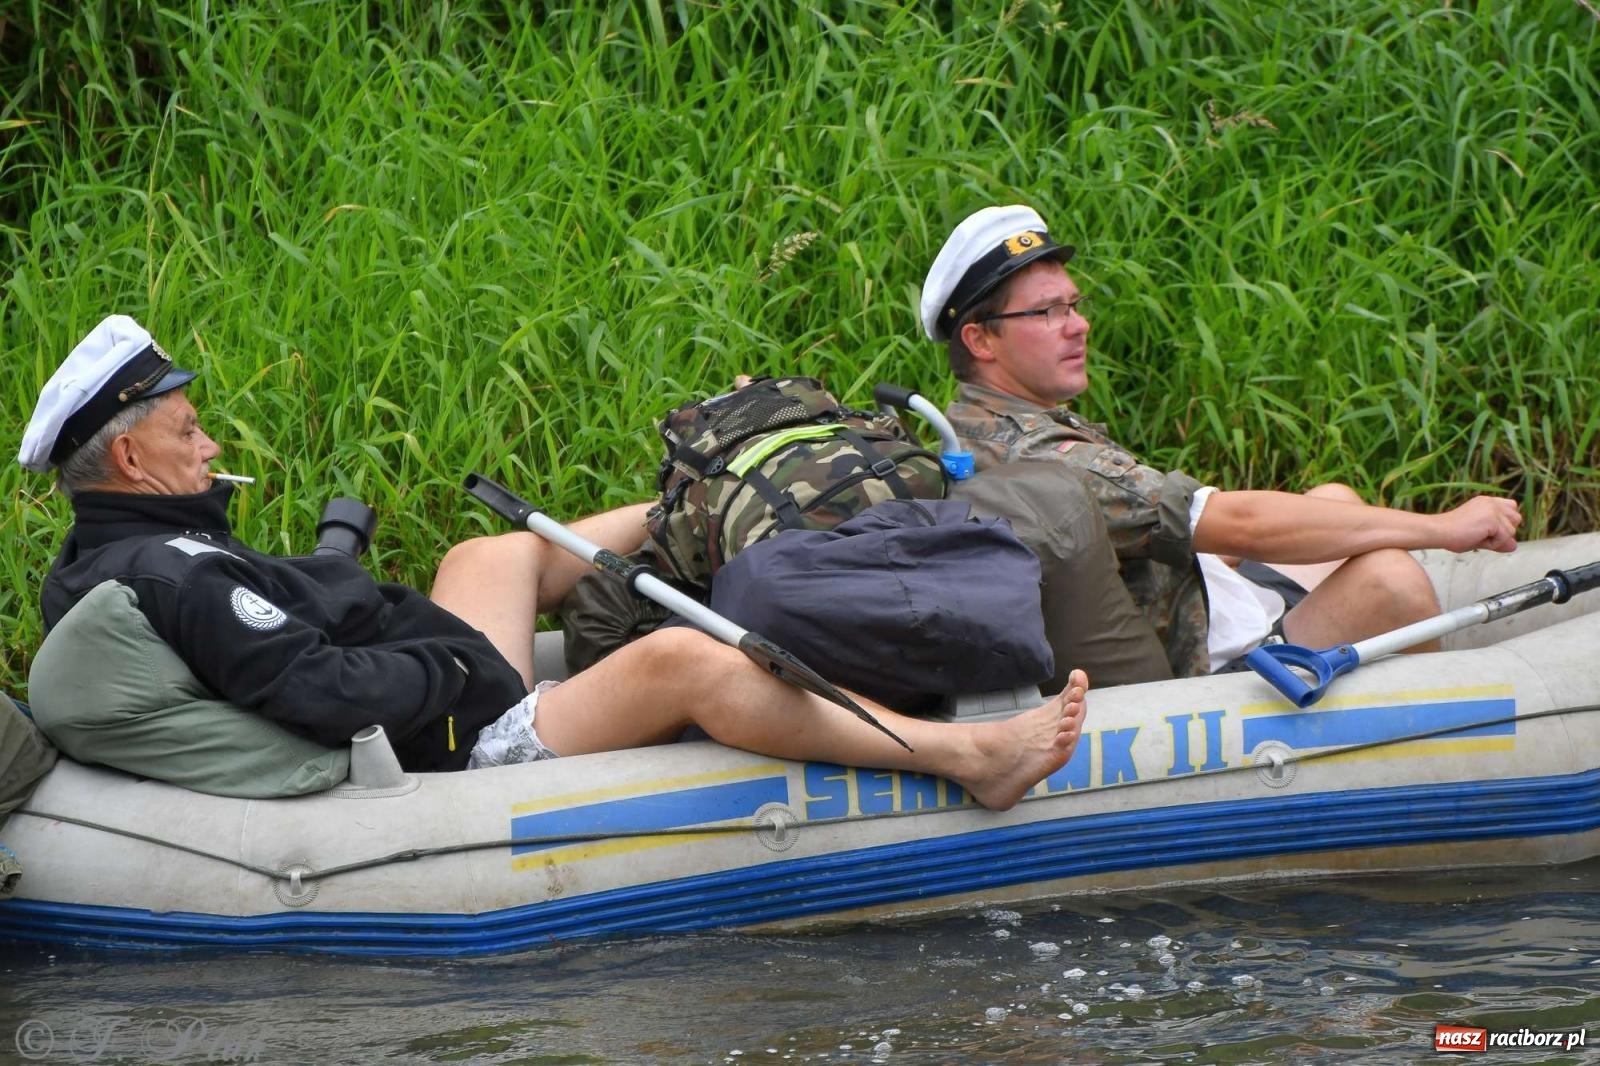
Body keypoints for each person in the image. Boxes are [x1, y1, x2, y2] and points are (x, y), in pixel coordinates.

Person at [17, 314, 1087, 810]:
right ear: (127, 453)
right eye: (189, 431)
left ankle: (720, 505)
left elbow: (283, 632)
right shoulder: (174, 573)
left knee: (494, 549)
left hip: (446, 690)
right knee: (682, 658)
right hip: (460, 747)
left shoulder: (125, 552)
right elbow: (318, 690)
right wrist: (455, 674)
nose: (209, 446)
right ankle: (964, 759)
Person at [920, 205, 1524, 678]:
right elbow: (1233, 520)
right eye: (1047, 312)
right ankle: (1445, 759)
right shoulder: (1039, 454)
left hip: (1190, 607)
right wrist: (1444, 528)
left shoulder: (973, 426)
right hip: (1206, 675)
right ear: (980, 340)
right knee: (1390, 580)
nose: (1078, 325)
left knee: (1336, 498)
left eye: (1074, 304)